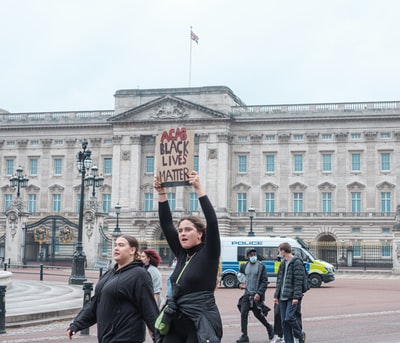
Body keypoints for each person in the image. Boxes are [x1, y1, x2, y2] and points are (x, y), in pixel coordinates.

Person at [153, 171, 223, 343]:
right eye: (181, 230)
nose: (182, 233)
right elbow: (166, 224)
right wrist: (161, 193)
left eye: (188, 230)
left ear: (200, 234)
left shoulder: (210, 253)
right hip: (176, 319)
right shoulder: (182, 253)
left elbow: (212, 222)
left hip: (199, 321)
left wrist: (199, 189)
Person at [67, 235, 159, 343]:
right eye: (115, 245)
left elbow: (148, 308)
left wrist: (159, 336)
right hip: (106, 337)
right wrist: (76, 325)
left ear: (132, 250)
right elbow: (95, 303)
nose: (116, 248)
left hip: (127, 337)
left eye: (121, 245)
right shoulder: (109, 273)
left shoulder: (140, 274)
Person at [236, 248, 274, 343]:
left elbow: (264, 281)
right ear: (247, 256)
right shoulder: (244, 266)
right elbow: (239, 278)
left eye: (254, 254)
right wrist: (239, 285)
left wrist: (259, 293)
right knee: (243, 313)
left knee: (258, 315)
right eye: (251, 254)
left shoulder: (261, 267)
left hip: (256, 295)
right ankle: (244, 336)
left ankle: (269, 328)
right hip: (247, 294)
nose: (253, 256)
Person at [273, 242, 306, 343]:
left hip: (292, 296)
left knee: (289, 318)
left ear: (283, 251)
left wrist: (296, 297)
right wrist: (276, 296)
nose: (279, 253)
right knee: (284, 322)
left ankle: (300, 335)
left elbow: (298, 281)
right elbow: (279, 281)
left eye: (280, 251)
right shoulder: (283, 263)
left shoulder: (297, 262)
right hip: (282, 297)